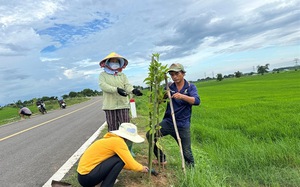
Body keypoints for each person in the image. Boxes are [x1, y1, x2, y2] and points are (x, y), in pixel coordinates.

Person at [146, 63, 200, 167]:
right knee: (150, 135)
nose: (174, 76)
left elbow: (197, 101)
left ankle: (190, 171)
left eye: (177, 73)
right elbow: (160, 101)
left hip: (183, 124)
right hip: (168, 122)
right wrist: (164, 95)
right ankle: (161, 158)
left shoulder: (190, 87)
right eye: (172, 74)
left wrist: (182, 96)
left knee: (186, 151)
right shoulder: (169, 86)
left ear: (183, 73)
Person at [77, 123, 149, 187]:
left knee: (119, 159)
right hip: (87, 177)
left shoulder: (112, 140)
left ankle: (100, 182)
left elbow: (123, 164)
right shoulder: (118, 142)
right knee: (119, 159)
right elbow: (129, 162)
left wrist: (136, 167)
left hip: (83, 177)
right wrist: (142, 168)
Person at [99, 52, 143, 156]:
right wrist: (116, 89)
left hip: (123, 105)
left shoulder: (122, 75)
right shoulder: (103, 75)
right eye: (112, 61)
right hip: (110, 106)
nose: (114, 63)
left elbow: (127, 86)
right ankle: (113, 150)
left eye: (116, 61)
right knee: (113, 128)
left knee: (127, 128)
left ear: (120, 63)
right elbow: (103, 86)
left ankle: (128, 150)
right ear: (108, 63)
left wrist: (133, 90)